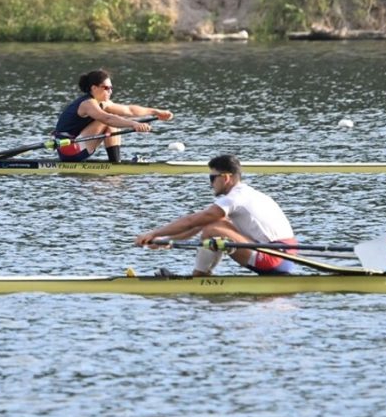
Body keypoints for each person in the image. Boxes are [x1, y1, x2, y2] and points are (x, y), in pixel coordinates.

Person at [135, 154, 297, 276]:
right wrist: (165, 241)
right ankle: (202, 276)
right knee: (212, 224)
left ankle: (199, 278)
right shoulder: (246, 194)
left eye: (212, 177)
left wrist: (154, 233)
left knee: (212, 229)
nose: (211, 183)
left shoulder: (236, 198)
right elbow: (198, 223)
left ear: (226, 178)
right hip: (286, 257)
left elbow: (192, 221)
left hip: (274, 258)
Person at [54, 69, 173, 163]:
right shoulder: (87, 103)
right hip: (68, 150)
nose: (110, 91)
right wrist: (134, 124)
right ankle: (116, 165)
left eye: (111, 88)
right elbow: (107, 119)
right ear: (94, 88)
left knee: (113, 117)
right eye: (106, 88)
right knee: (110, 118)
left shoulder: (102, 103)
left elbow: (130, 110)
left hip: (79, 147)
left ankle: (115, 163)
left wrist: (157, 112)